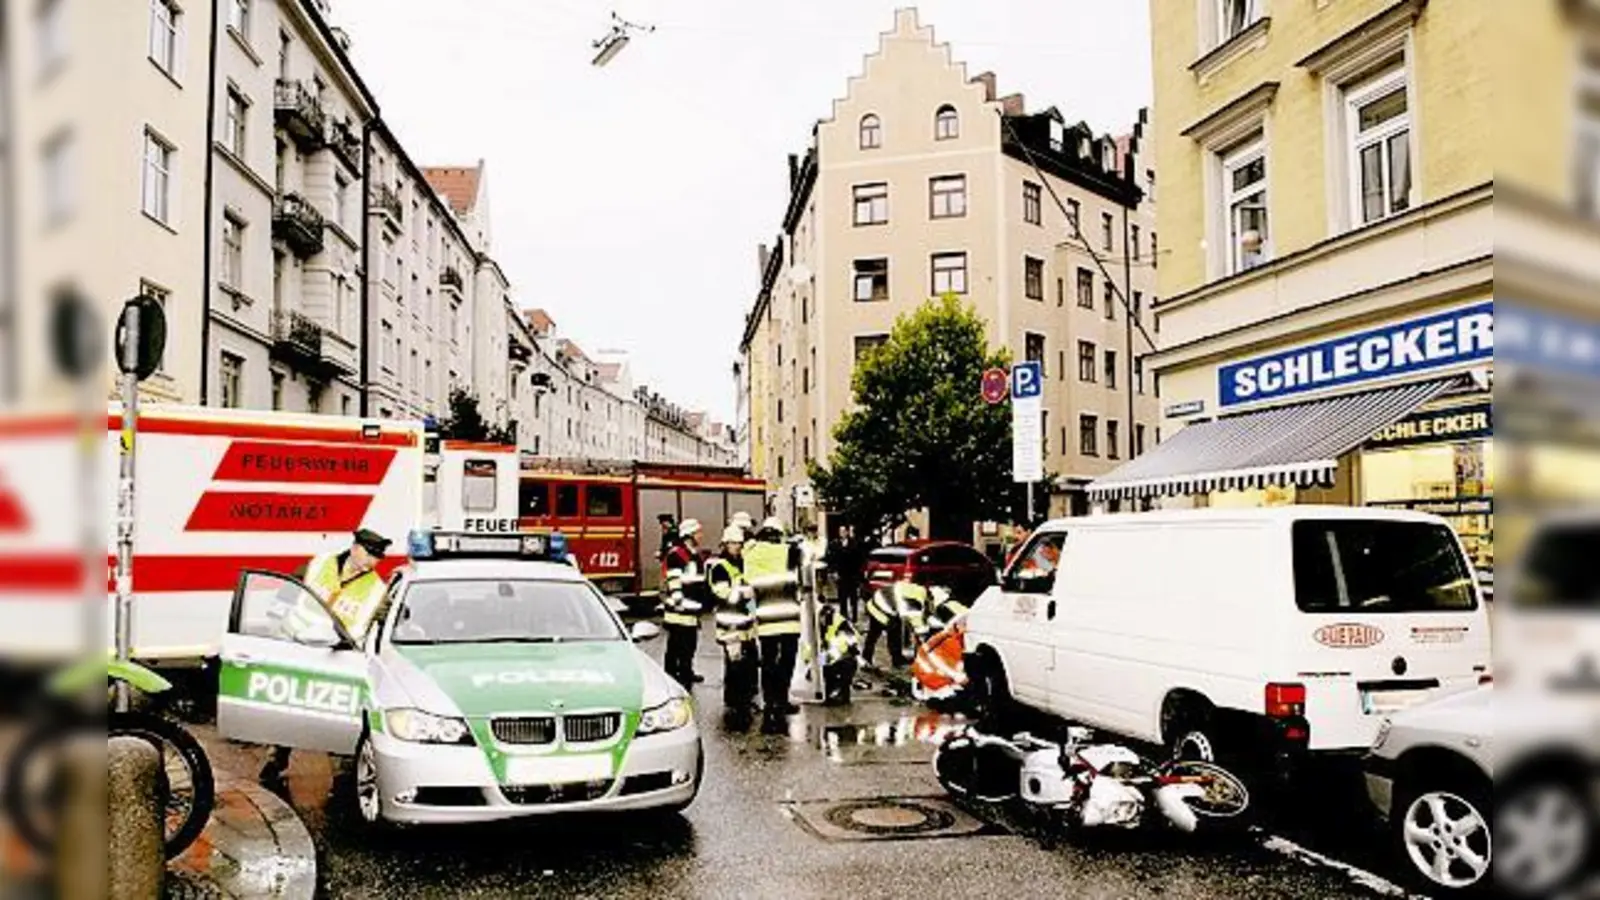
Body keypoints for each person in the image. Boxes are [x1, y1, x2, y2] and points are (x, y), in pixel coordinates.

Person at [261, 528, 392, 785]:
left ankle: (341, 773)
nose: (373, 562)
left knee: (332, 712)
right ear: (355, 548)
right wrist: (275, 617)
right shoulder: (321, 563)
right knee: (290, 706)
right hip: (298, 645)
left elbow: (384, 616)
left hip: (336, 655)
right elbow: (291, 585)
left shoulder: (376, 589)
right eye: (370, 554)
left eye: (378, 558)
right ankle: (277, 758)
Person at [745, 517, 803, 731]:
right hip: (788, 617)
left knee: (768, 662)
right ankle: (782, 700)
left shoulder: (750, 553)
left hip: (766, 617)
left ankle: (770, 703)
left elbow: (749, 584)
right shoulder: (788, 551)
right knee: (786, 662)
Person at [707, 526, 759, 720]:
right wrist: (744, 592)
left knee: (746, 665)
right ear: (725, 544)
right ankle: (735, 705)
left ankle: (743, 701)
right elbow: (723, 593)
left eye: (739, 543)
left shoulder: (742, 564)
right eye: (734, 543)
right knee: (734, 667)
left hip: (745, 624)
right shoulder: (720, 567)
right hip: (730, 625)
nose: (737, 547)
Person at [661, 519, 708, 688]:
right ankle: (672, 675)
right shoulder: (677, 554)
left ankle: (686, 671)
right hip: (679, 611)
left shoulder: (693, 554)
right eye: (698, 533)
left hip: (690, 609)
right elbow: (673, 578)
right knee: (676, 645)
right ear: (689, 535)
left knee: (689, 644)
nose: (700, 536)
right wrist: (679, 598)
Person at [863, 579, 927, 669]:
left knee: (874, 634)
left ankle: (867, 657)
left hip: (877, 600)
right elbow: (916, 622)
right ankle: (895, 661)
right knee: (891, 632)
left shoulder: (916, 590)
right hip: (882, 608)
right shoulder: (914, 602)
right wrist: (922, 636)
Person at [805, 602, 860, 705]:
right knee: (829, 673)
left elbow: (841, 649)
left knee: (838, 670)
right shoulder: (819, 626)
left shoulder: (841, 625)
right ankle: (834, 695)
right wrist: (811, 665)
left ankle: (840, 695)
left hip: (844, 659)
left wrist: (819, 663)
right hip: (834, 658)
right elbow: (811, 646)